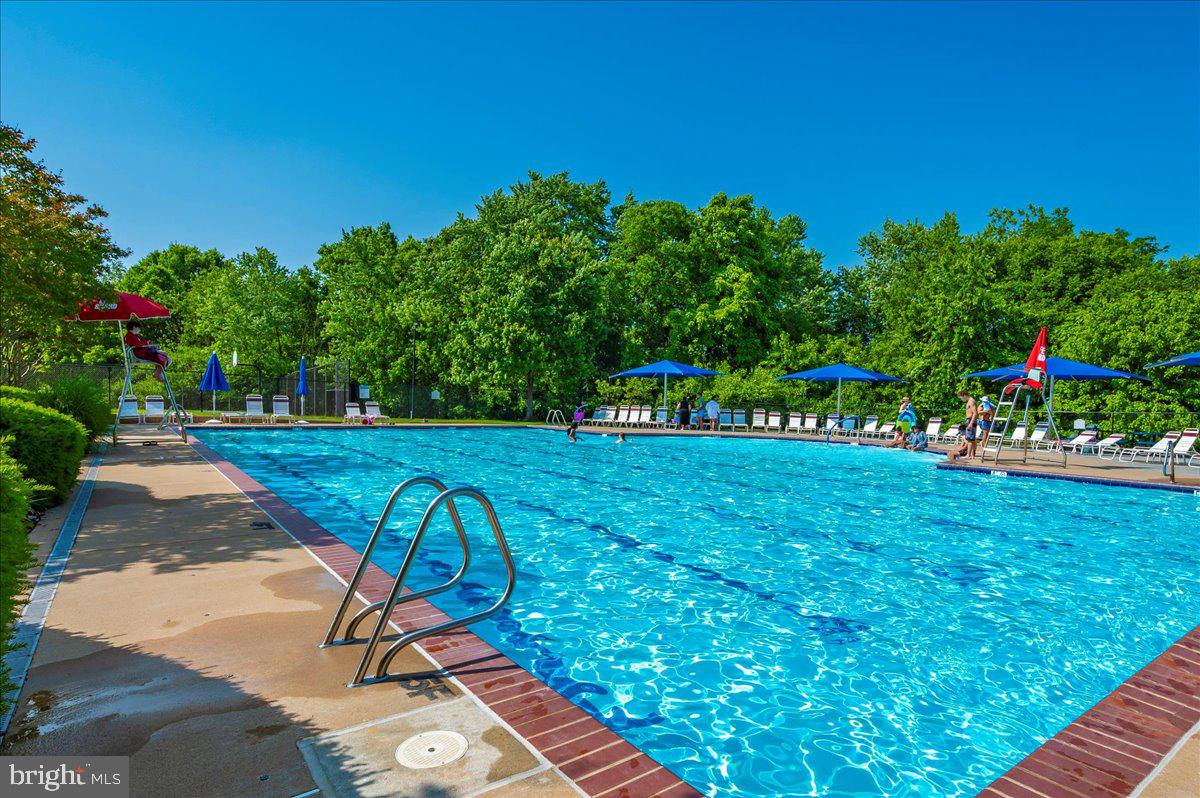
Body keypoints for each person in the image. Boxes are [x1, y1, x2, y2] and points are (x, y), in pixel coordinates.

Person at [947, 390, 978, 462]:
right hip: (969, 421)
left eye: (961, 397)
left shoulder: (971, 401)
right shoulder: (970, 401)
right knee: (972, 439)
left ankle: (968, 455)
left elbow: (975, 413)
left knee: (970, 439)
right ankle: (972, 455)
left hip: (970, 421)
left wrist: (970, 423)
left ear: (964, 395)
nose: (961, 399)